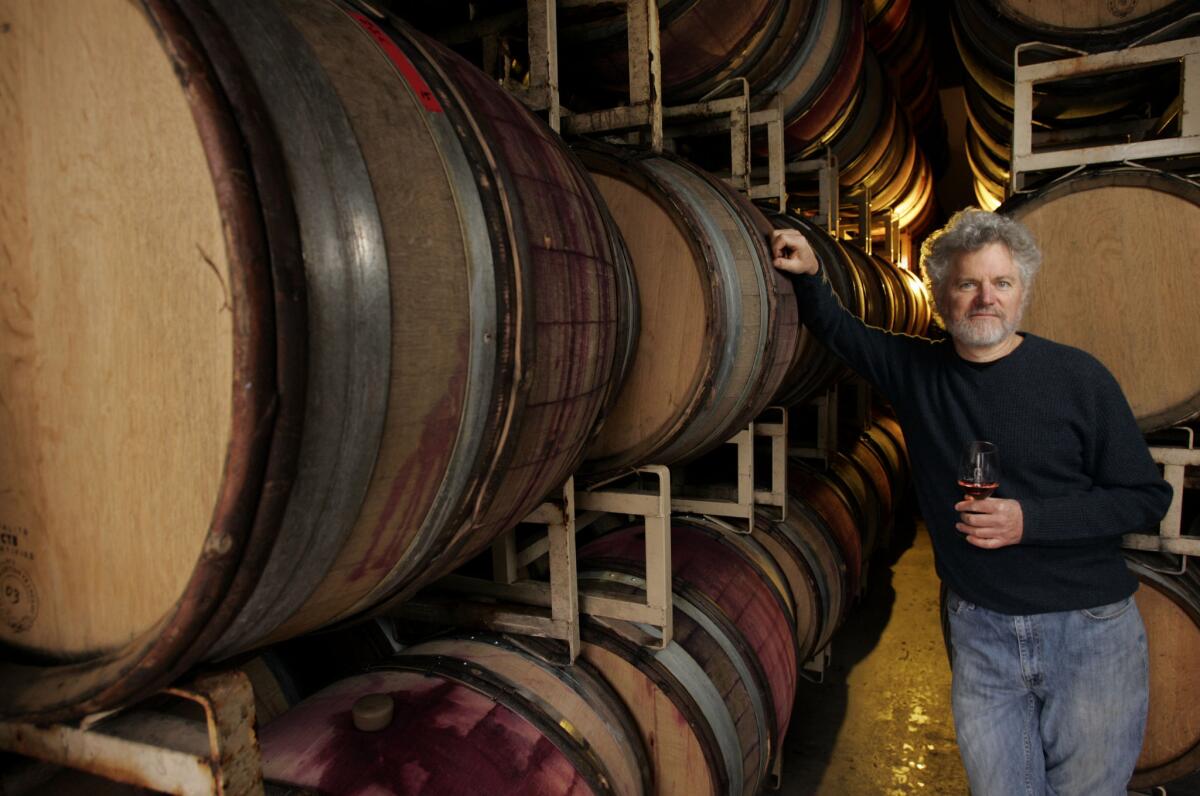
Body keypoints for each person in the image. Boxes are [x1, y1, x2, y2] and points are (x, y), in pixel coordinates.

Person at [771, 209, 1172, 796]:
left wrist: (1029, 521)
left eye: (1001, 283)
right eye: (967, 284)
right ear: (941, 296)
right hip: (981, 630)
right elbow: (840, 330)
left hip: (1087, 632)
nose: (986, 298)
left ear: (1022, 292)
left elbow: (1145, 499)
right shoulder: (919, 372)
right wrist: (807, 275)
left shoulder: (1080, 378)